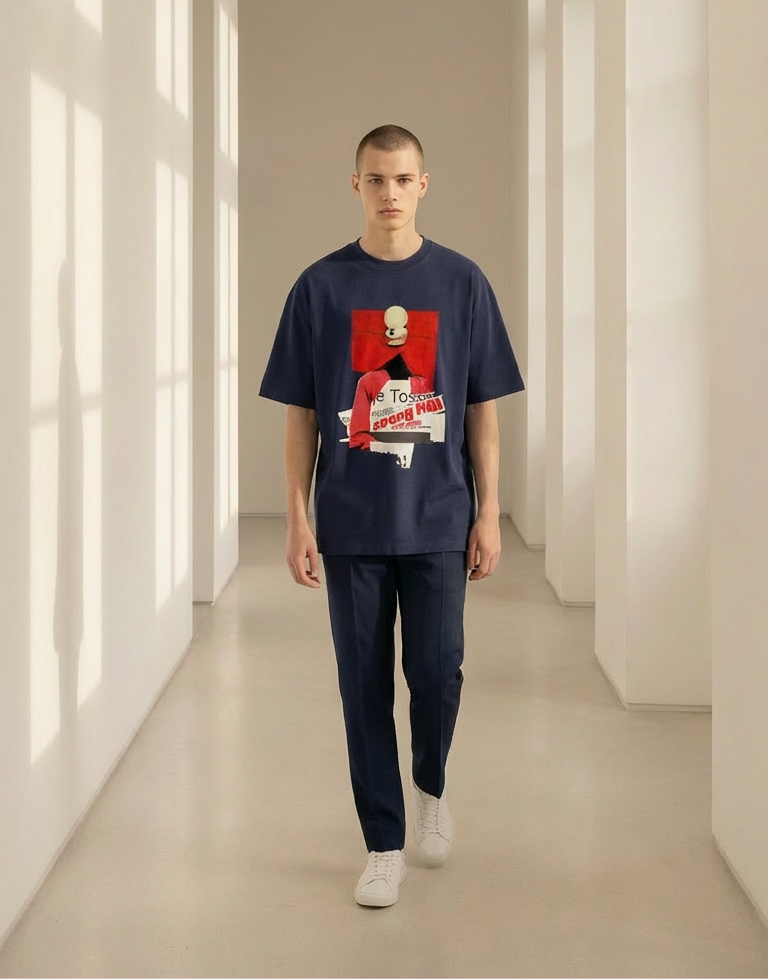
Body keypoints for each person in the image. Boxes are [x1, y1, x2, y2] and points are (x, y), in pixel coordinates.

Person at [259, 125, 524, 908]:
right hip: (352, 523)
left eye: (403, 179)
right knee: (363, 684)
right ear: (356, 185)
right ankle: (383, 843)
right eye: (375, 179)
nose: (389, 193)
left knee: (437, 673)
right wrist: (297, 517)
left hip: (439, 516)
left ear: (423, 184)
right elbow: (303, 415)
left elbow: (481, 409)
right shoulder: (319, 288)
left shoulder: (462, 282)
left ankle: (430, 785)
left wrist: (489, 510)